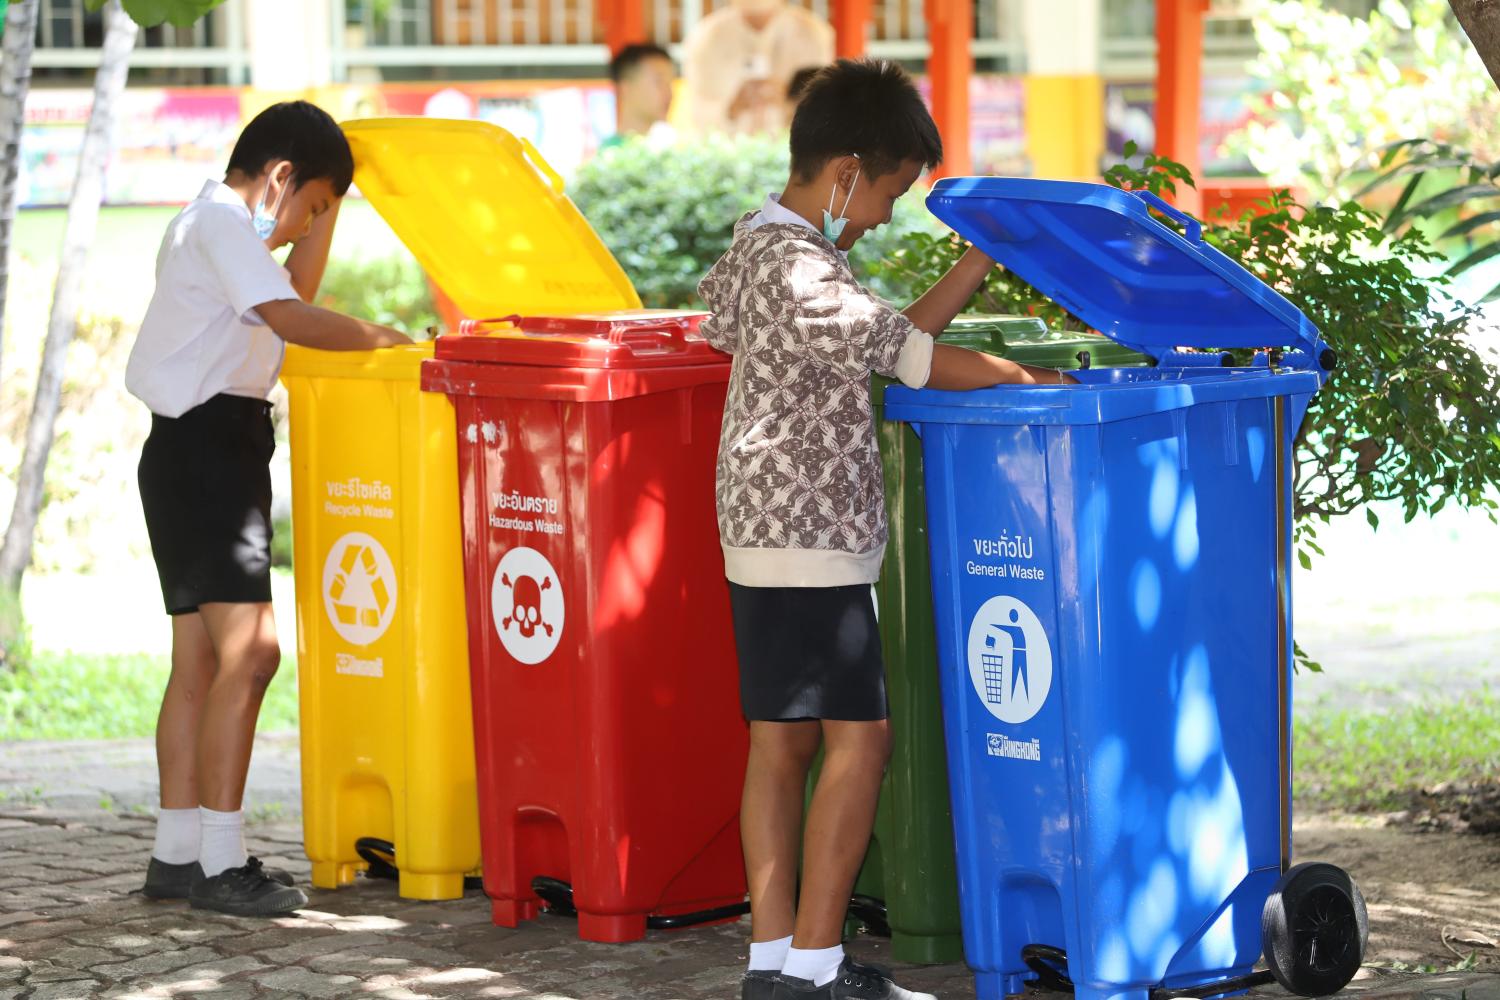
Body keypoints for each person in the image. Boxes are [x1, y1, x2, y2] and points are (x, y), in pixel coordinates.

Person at [696, 59, 1077, 1000]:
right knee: (861, 742)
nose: (885, 215)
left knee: (781, 744)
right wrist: (1021, 378)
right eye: (890, 192)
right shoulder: (801, 268)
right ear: (846, 172)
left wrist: (979, 262)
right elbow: (914, 360)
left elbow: (882, 343)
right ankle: (818, 969)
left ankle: (776, 963)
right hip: (813, 534)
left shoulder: (760, 248)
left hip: (758, 530)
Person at [125, 100, 411, 918]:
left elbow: (292, 291)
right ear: (280, 178)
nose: (304, 228)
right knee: (252, 655)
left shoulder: (211, 228)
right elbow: (295, 315)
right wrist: (386, 338)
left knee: (202, 662)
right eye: (310, 206)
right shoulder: (220, 225)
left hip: (192, 452)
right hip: (210, 454)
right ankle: (222, 861)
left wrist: (333, 199)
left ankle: (178, 853)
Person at [683, 0, 833, 136]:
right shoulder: (705, 37)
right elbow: (695, 116)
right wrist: (731, 108)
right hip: (726, 157)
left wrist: (789, 99)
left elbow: (826, 113)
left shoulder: (813, 33)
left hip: (797, 157)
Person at [603, 42, 677, 149]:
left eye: (670, 83)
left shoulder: (664, 150)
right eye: (658, 82)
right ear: (625, 88)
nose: (669, 93)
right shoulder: (609, 156)